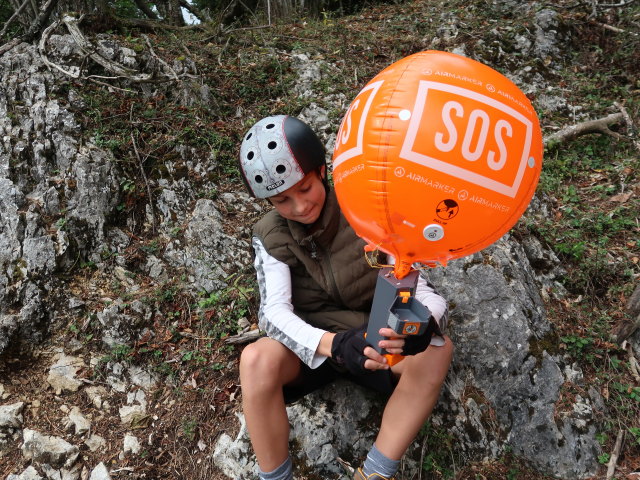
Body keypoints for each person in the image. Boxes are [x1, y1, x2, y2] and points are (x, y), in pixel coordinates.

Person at [237, 115, 453, 480]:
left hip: (373, 342)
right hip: (315, 348)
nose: (300, 206)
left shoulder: (369, 210)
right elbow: (273, 313)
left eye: (305, 188)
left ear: (322, 171)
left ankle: (374, 474)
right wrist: (334, 345)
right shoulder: (270, 235)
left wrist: (420, 325)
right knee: (255, 359)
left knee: (437, 349)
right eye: (282, 200)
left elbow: (426, 291)